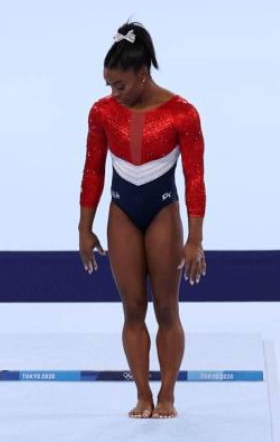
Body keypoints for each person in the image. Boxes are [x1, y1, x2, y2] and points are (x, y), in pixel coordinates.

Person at [78, 21, 207, 419]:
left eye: (119, 85)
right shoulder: (101, 113)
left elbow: (195, 178)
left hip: (162, 211)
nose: (112, 93)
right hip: (123, 212)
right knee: (132, 308)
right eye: (108, 85)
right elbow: (93, 171)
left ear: (142, 74)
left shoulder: (182, 113)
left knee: (166, 309)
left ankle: (167, 394)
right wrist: (84, 228)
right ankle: (141, 395)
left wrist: (196, 239)